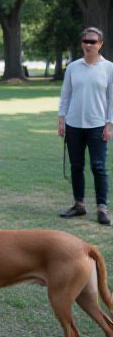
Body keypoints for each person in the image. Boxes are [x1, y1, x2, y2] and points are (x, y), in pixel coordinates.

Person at [58, 27, 113, 225]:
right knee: (76, 166)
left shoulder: (109, 68)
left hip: (98, 125)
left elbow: (111, 98)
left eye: (93, 42)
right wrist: (61, 119)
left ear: (101, 44)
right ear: (81, 43)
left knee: (99, 167)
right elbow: (66, 95)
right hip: (74, 124)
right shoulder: (73, 67)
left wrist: (110, 124)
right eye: (85, 41)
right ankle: (79, 205)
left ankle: (102, 208)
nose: (88, 45)